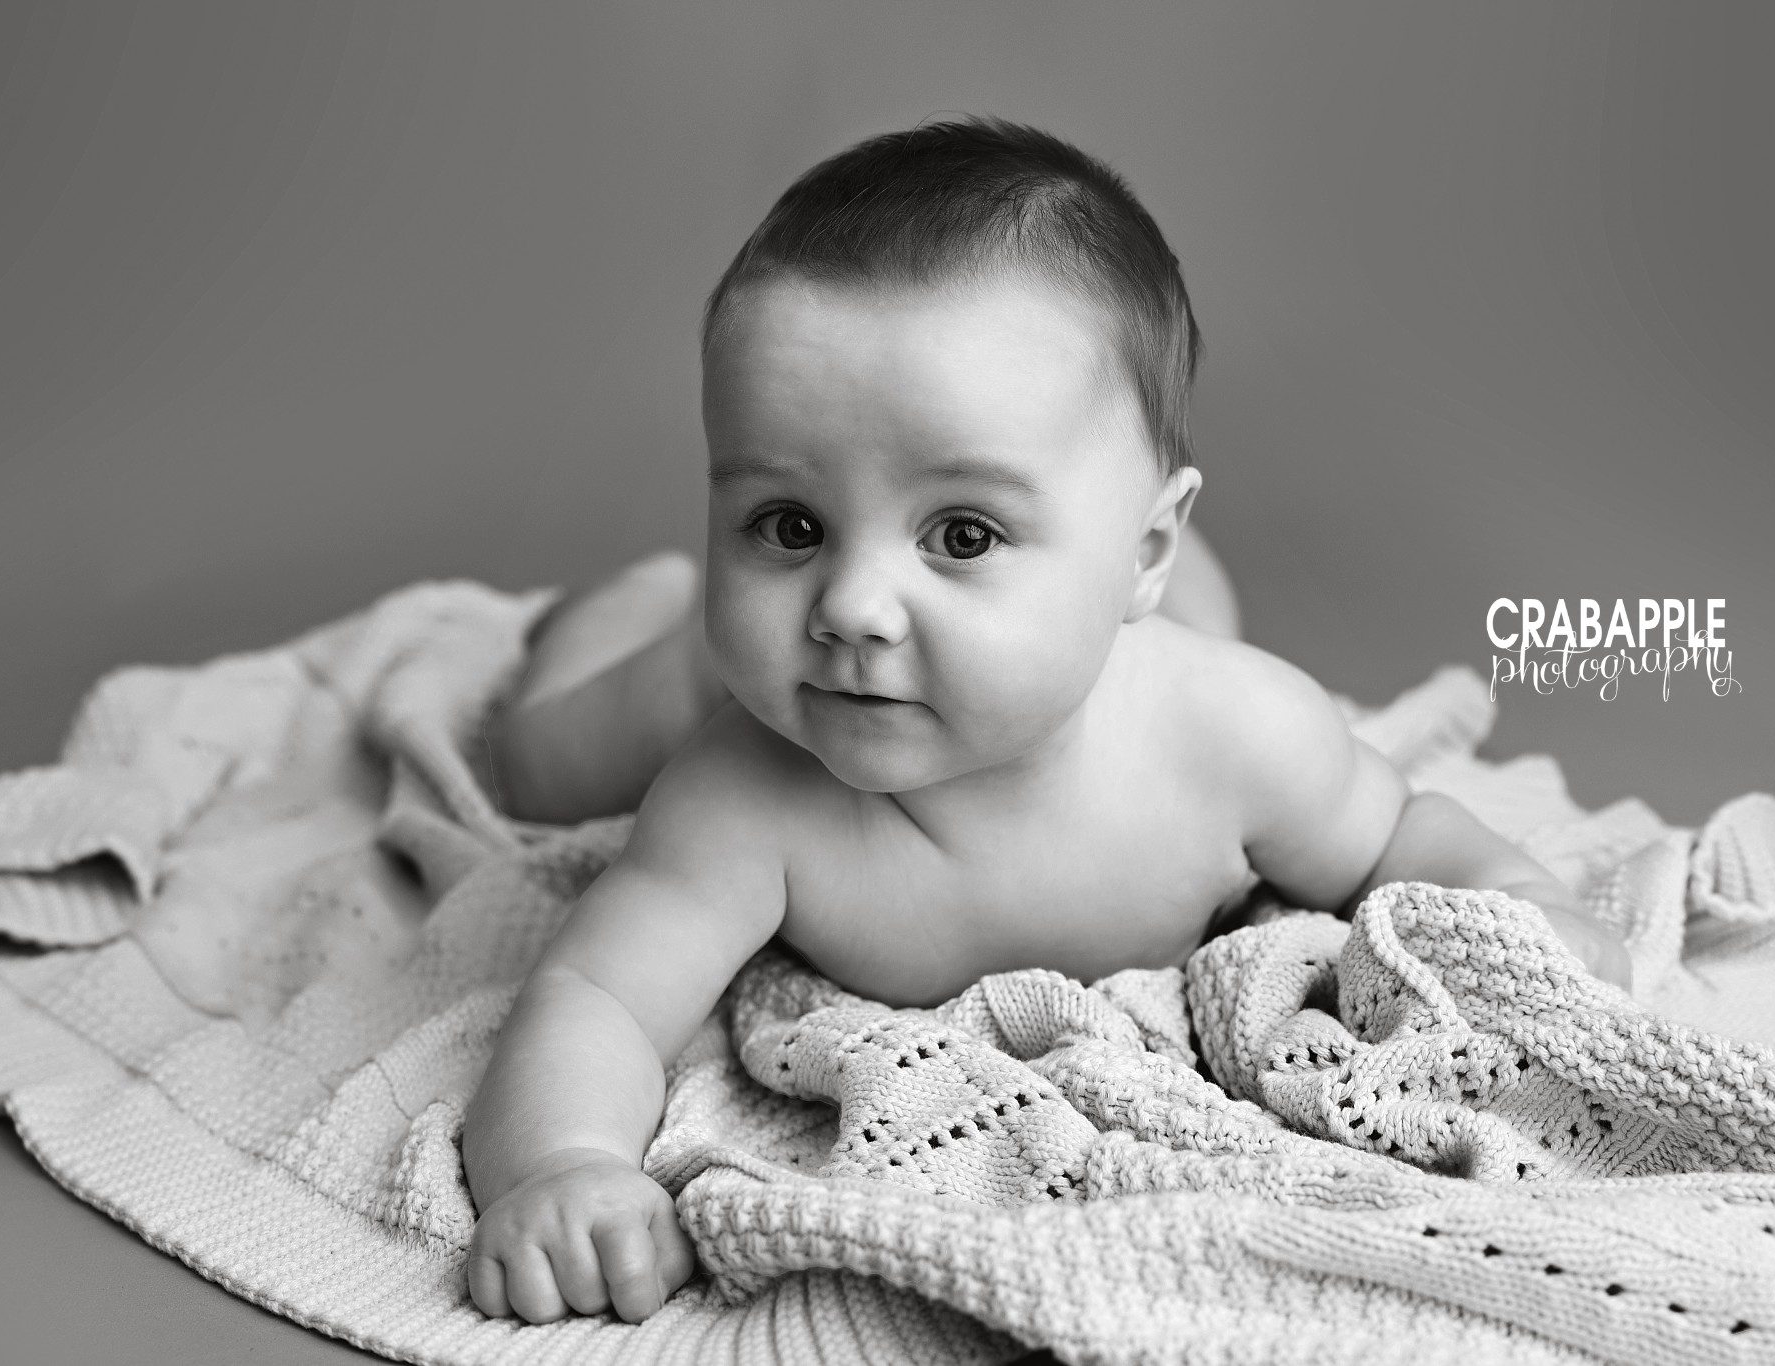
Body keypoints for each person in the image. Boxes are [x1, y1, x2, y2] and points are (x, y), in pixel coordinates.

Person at [460, 115, 1631, 1327]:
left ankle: (1120, 563)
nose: (852, 606)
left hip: (1148, 641)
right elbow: (594, 996)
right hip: (729, 671)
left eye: (959, 534)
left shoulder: (1235, 738)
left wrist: (1517, 903)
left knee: (1198, 634)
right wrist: (563, 1162)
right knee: (539, 761)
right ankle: (626, 616)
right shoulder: (743, 794)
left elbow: (1397, 834)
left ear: (1142, 552)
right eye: (786, 524)